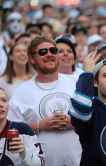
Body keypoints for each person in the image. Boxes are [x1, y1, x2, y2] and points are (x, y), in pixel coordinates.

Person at [8, 36, 82, 166]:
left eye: (53, 50)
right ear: (32, 59)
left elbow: (96, 118)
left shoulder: (77, 83)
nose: (49, 54)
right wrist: (39, 126)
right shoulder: (21, 92)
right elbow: (11, 131)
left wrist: (74, 122)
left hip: (80, 160)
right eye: (43, 52)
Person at [0, 88, 44, 166]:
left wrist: (24, 153)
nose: (1, 104)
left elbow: (41, 163)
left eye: (4, 100)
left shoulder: (23, 130)